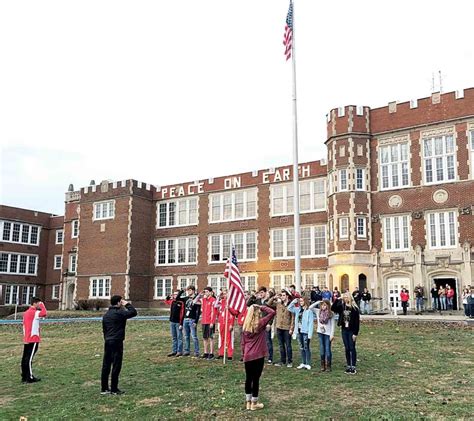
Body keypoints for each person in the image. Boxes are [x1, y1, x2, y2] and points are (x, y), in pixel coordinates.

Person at [242, 304, 276, 411]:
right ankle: (254, 403)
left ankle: (248, 402)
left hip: (248, 355)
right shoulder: (260, 324)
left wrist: (244, 354)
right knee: (256, 379)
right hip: (258, 355)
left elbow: (243, 344)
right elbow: (272, 312)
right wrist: (261, 306)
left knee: (248, 378)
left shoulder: (245, 326)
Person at [101, 295, 137, 395]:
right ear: (118, 302)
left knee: (106, 364)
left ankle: (104, 388)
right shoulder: (120, 313)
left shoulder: (106, 314)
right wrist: (127, 304)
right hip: (117, 341)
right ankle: (114, 388)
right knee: (116, 364)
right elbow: (133, 312)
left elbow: (104, 329)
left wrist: (107, 338)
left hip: (108, 340)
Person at [331, 293, 360, 374]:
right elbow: (333, 308)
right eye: (344, 297)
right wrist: (337, 299)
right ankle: (348, 365)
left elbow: (357, 322)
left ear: (350, 298)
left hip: (351, 330)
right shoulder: (342, 306)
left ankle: (353, 366)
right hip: (344, 329)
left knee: (352, 347)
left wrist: (355, 333)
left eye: (347, 297)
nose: (345, 299)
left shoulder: (354, 308)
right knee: (347, 348)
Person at [21, 297, 47, 383]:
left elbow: (24, 326)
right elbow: (44, 313)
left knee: (25, 358)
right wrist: (42, 305)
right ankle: (29, 377)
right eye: (38, 303)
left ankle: (24, 376)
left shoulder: (26, 313)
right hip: (33, 338)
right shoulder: (35, 313)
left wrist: (25, 337)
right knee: (29, 358)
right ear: (35, 303)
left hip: (27, 338)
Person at [268, 289, 295, 368]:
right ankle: (282, 360)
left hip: (287, 327)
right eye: (281, 295)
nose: (282, 297)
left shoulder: (291, 305)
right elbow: (269, 304)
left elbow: (293, 317)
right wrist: (274, 297)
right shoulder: (279, 304)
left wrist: (291, 328)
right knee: (281, 345)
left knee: (288, 345)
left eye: (283, 295)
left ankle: (289, 361)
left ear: (287, 296)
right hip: (279, 326)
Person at [288, 296, 315, 370]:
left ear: (305, 301)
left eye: (302, 301)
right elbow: (289, 308)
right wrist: (294, 301)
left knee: (306, 347)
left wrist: (310, 334)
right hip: (299, 331)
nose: (300, 302)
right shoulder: (298, 310)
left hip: (305, 332)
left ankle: (308, 363)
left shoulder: (309, 311)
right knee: (301, 347)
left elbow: (311, 323)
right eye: (300, 301)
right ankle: (303, 362)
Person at [313, 299, 335, 372]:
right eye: (322, 305)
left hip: (328, 334)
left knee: (327, 349)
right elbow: (310, 307)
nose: (323, 306)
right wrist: (317, 302)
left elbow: (332, 325)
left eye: (325, 305)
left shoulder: (331, 313)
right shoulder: (318, 312)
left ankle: (328, 365)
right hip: (320, 332)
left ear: (328, 306)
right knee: (322, 349)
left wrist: (332, 335)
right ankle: (322, 364)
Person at [215, 288, 235, 360]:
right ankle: (221, 353)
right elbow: (215, 305)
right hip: (221, 322)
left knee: (229, 339)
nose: (224, 295)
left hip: (228, 322)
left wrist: (231, 324)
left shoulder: (231, 302)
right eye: (223, 293)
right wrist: (218, 296)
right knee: (221, 338)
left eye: (225, 293)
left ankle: (230, 354)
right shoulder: (221, 302)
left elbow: (233, 314)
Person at [182, 286, 201, 357]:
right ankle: (187, 350)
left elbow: (198, 312)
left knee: (194, 336)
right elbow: (177, 298)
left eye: (189, 290)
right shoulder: (186, 298)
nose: (188, 292)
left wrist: (196, 321)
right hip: (185, 319)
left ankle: (196, 351)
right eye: (187, 290)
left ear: (193, 291)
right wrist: (182, 291)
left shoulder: (197, 299)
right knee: (186, 336)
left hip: (192, 319)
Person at [166, 290, 185, 357]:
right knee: (174, 337)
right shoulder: (172, 301)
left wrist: (181, 324)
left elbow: (182, 313)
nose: (175, 295)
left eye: (176, 294)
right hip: (172, 321)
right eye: (174, 294)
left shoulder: (181, 302)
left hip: (178, 322)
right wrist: (168, 296)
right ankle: (174, 351)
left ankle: (179, 351)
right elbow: (167, 301)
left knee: (179, 337)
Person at [200, 287, 217, 360]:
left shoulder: (213, 300)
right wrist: (200, 295)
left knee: (211, 337)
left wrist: (212, 322)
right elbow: (195, 301)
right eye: (205, 292)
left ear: (211, 292)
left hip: (210, 322)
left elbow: (214, 312)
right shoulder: (203, 300)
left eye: (207, 292)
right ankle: (205, 352)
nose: (205, 293)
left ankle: (211, 353)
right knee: (205, 337)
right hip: (204, 321)